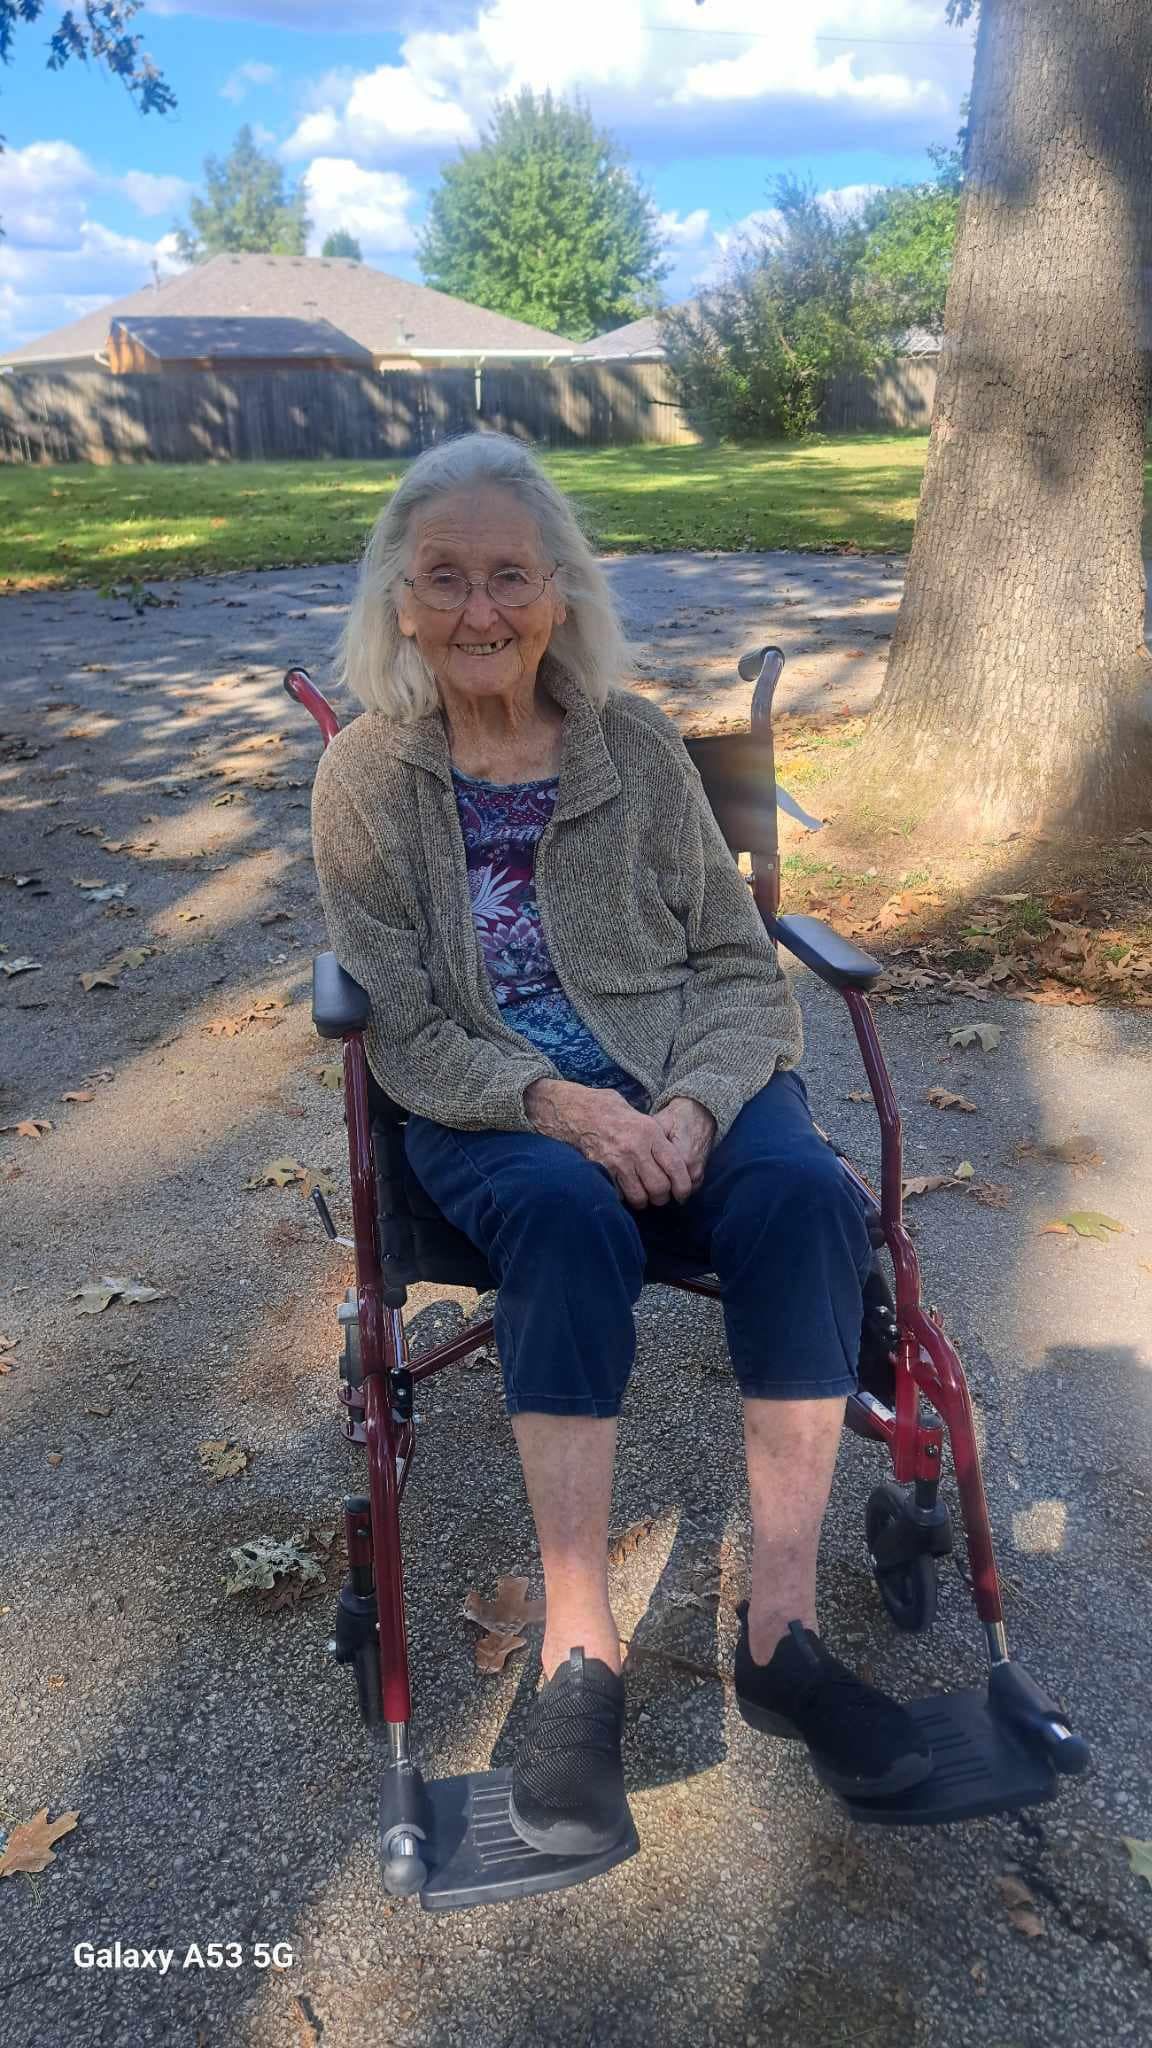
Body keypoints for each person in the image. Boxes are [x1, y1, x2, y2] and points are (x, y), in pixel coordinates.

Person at [309, 429, 933, 1861]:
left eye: (510, 576)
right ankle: (579, 1655)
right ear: (399, 602)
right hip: (494, 1106)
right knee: (569, 1218)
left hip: (681, 1078)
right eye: (445, 580)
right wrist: (563, 1107)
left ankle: (780, 1637)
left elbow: (732, 964)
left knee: (801, 1201)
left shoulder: (639, 747)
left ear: (560, 593)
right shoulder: (362, 778)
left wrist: (695, 1107)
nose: (480, 612)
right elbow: (400, 1019)